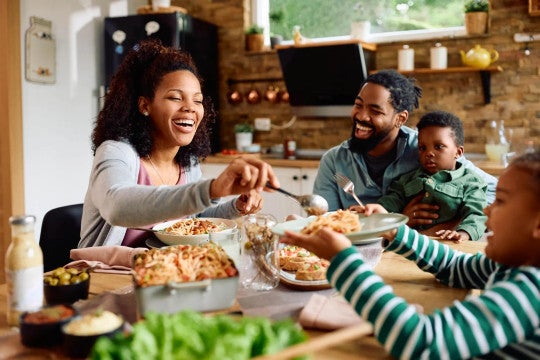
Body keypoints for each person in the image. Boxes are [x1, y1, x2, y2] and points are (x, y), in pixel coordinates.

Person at [281, 151, 540, 359]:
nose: (486, 209)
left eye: (501, 201)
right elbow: (454, 266)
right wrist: (394, 230)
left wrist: (345, 262)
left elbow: (422, 342)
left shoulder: (530, 293)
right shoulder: (508, 265)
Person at [79, 40, 279, 248]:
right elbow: (117, 207)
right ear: (145, 105)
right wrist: (209, 190)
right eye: (176, 97)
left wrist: (235, 206)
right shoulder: (116, 151)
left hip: (166, 271)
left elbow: (197, 217)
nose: (190, 108)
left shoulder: (187, 162)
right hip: (104, 274)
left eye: (197, 100)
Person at [313, 70, 497, 229]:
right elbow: (325, 225)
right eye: (358, 105)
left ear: (400, 119)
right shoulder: (333, 161)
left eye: (375, 111)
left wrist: (444, 227)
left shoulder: (427, 150)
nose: (361, 116)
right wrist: (400, 220)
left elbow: (495, 194)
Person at [359, 110, 487, 242]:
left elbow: (478, 214)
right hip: (410, 244)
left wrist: (464, 233)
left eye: (438, 146)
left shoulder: (472, 182)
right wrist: (372, 210)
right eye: (422, 148)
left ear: (458, 152)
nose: (429, 153)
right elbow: (391, 201)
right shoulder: (407, 180)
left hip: (449, 244)